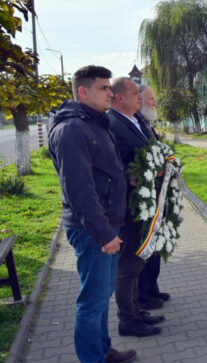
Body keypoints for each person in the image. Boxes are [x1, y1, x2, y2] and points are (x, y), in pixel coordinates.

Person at [48, 66, 137, 363]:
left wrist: (127, 180)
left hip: (106, 224)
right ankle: (93, 358)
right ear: (83, 92)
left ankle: (102, 351)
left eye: (109, 87)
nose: (110, 93)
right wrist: (104, 234)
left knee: (101, 296)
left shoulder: (95, 123)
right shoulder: (72, 129)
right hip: (93, 230)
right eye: (103, 88)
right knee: (92, 301)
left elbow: (102, 173)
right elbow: (79, 189)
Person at [107, 77, 164, 337]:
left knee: (137, 261)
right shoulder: (113, 123)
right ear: (120, 98)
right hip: (130, 204)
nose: (139, 98)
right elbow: (116, 163)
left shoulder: (132, 120)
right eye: (134, 93)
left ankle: (136, 310)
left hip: (143, 200)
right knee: (128, 266)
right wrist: (139, 174)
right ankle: (127, 320)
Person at [136, 85, 171, 310]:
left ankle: (152, 289)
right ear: (137, 100)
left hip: (156, 195)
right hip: (143, 199)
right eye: (151, 99)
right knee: (145, 247)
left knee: (154, 246)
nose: (154, 103)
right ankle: (143, 294)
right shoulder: (133, 124)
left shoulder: (146, 124)